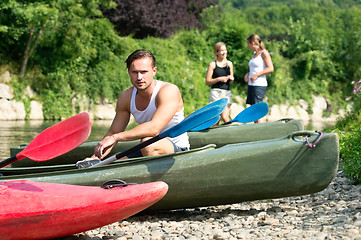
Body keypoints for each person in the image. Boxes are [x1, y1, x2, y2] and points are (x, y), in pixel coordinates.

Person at [86, 49, 190, 161]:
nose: (139, 77)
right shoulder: (126, 97)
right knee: (111, 164)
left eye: (144, 72)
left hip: (176, 149)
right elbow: (113, 132)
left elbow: (154, 129)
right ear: (129, 73)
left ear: (154, 71)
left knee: (147, 143)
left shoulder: (168, 91)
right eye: (134, 72)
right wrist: (95, 159)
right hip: (145, 147)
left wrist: (116, 137)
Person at [244, 34, 274, 123]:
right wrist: (248, 74)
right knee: (253, 109)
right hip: (251, 84)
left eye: (248, 44)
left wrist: (256, 75)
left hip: (259, 85)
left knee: (257, 109)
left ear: (252, 43)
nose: (247, 46)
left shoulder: (264, 53)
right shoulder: (254, 54)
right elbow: (255, 68)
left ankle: (261, 131)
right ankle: (256, 130)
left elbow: (270, 68)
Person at [205, 42, 234, 124]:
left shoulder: (229, 64)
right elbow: (207, 81)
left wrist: (231, 79)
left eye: (225, 50)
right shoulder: (212, 64)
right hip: (215, 93)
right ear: (216, 52)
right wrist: (219, 79)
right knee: (216, 119)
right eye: (221, 50)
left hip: (226, 93)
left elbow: (231, 81)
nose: (224, 52)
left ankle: (232, 133)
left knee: (225, 117)